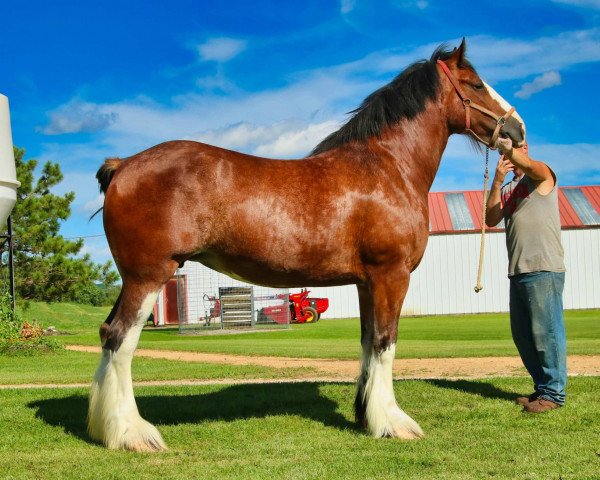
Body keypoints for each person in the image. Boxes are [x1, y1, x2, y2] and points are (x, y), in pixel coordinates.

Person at [486, 139, 567, 413]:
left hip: (543, 266)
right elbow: (491, 219)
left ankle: (554, 394)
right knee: (523, 335)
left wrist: (508, 147)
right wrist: (497, 181)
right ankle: (542, 389)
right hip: (518, 269)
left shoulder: (542, 176)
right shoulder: (509, 188)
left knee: (547, 333)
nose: (519, 149)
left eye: (521, 145)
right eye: (512, 147)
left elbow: (531, 166)